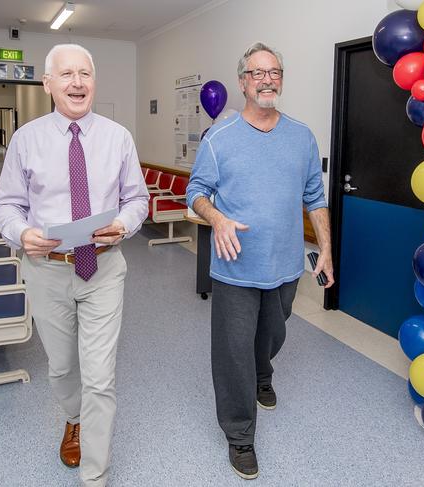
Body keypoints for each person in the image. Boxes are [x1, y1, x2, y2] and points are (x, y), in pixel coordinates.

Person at [0, 44, 149, 486]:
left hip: (103, 268)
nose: (77, 82)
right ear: (48, 84)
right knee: (62, 367)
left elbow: (138, 198)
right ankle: (72, 418)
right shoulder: (27, 140)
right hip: (47, 270)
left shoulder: (118, 137)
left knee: (100, 375)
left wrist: (123, 223)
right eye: (67, 74)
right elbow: (6, 205)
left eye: (85, 74)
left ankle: (94, 475)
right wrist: (23, 233)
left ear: (94, 83)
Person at [187, 42, 334, 480]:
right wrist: (217, 219)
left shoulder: (301, 136)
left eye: (274, 72)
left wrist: (325, 246)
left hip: (285, 263)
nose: (267, 79)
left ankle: (262, 371)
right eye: (257, 73)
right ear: (242, 82)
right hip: (234, 266)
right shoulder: (221, 138)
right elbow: (196, 192)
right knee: (232, 351)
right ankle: (240, 435)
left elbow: (314, 196)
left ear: (281, 80)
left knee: (272, 333)